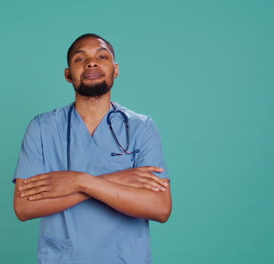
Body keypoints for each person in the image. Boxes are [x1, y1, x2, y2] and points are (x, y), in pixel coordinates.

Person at [12, 33, 172, 264]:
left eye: (102, 56)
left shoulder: (141, 127)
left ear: (115, 70)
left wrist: (79, 181)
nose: (91, 62)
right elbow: (24, 207)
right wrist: (116, 180)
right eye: (80, 59)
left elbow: (160, 208)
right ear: (68, 75)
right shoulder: (42, 128)